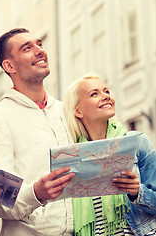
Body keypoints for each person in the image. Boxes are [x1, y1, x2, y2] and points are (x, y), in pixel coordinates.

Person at [0, 27, 75, 235]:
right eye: (27, 48)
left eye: (39, 44)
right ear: (9, 65)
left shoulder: (64, 110)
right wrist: (36, 193)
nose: (40, 50)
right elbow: (0, 201)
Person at [64, 75, 156, 236]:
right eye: (94, 94)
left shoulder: (137, 143)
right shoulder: (71, 158)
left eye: (106, 91)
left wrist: (137, 192)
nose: (106, 96)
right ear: (78, 111)